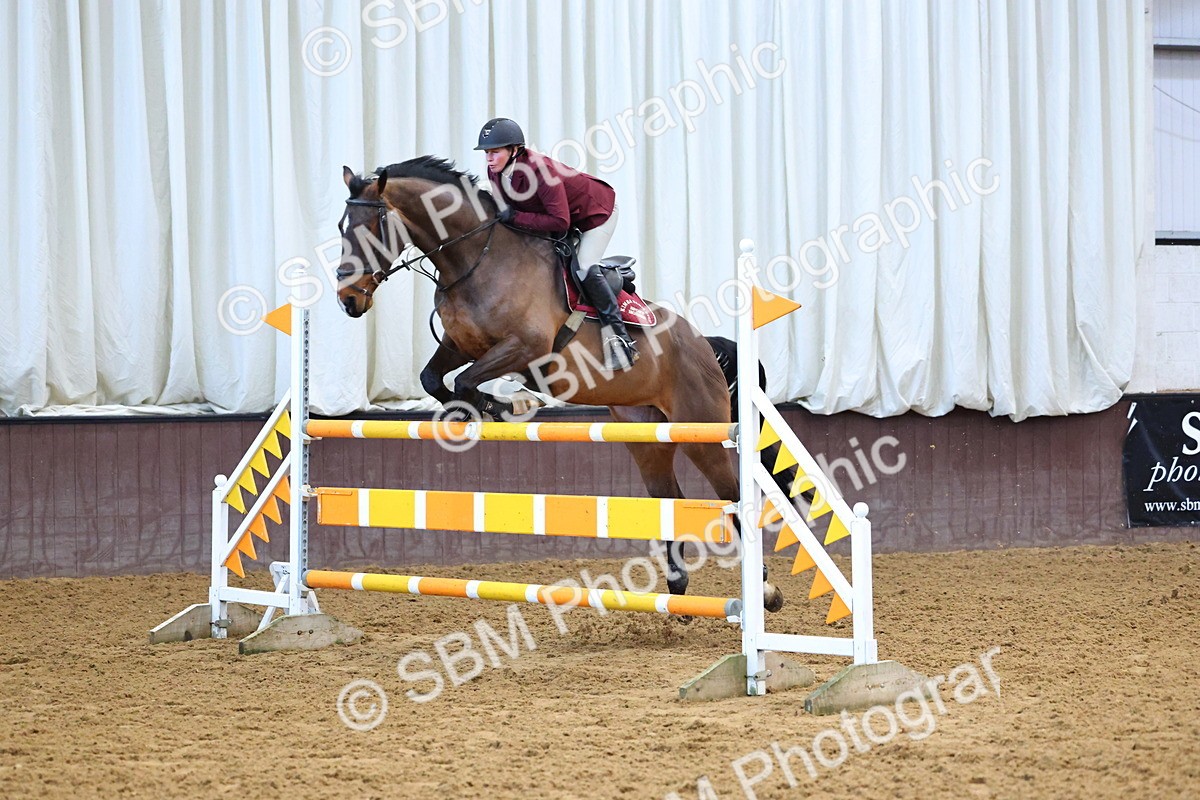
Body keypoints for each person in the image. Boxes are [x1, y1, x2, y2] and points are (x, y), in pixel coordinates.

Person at [475, 117, 638, 371]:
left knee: (584, 266)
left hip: (596, 213)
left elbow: (560, 222)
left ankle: (620, 340)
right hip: (561, 216)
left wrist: (515, 217)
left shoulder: (542, 172)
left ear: (515, 150)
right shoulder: (495, 171)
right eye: (487, 153)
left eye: (495, 152)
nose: (489, 158)